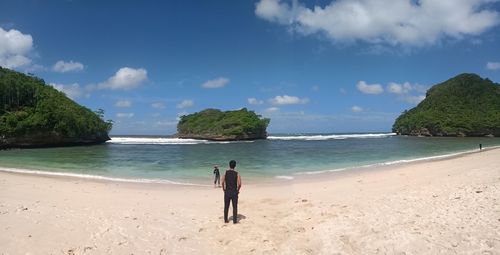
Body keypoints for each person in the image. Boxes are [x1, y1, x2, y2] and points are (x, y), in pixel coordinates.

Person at [222, 160, 241, 224]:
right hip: (234, 192)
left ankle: (225, 220)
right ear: (235, 166)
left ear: (229, 165)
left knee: (226, 206)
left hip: (227, 192)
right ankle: (235, 221)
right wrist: (237, 190)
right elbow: (239, 184)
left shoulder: (226, 172)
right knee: (235, 207)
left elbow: (222, 181)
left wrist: (223, 189)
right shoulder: (237, 173)